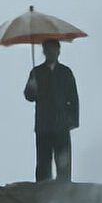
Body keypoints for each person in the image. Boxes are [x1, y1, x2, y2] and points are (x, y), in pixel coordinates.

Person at [23, 39, 79, 182]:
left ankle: (64, 190)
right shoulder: (37, 72)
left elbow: (73, 98)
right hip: (43, 124)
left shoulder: (65, 72)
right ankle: (42, 191)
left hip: (61, 123)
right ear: (43, 51)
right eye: (48, 49)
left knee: (63, 163)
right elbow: (29, 96)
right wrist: (32, 86)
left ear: (59, 51)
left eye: (53, 49)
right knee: (43, 163)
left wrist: (72, 121)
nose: (51, 52)